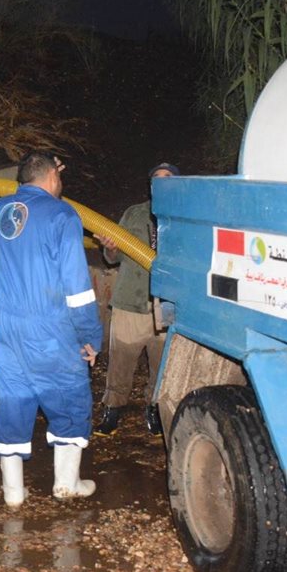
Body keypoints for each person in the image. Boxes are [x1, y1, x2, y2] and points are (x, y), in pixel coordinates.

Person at [0, 152, 103, 507]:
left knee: (13, 397)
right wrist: (89, 335)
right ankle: (66, 484)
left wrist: (46, 168)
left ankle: (13, 493)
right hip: (47, 325)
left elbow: (28, 212)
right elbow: (77, 286)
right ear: (53, 176)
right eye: (58, 176)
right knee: (69, 396)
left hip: (5, 325)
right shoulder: (62, 214)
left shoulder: (2, 209)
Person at [93, 162, 180, 436]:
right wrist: (110, 249)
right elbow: (113, 258)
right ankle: (112, 408)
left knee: (161, 363)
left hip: (167, 303)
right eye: (156, 178)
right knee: (120, 361)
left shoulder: (184, 218)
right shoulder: (134, 213)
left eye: (167, 177)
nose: (161, 182)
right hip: (131, 300)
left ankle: (153, 408)